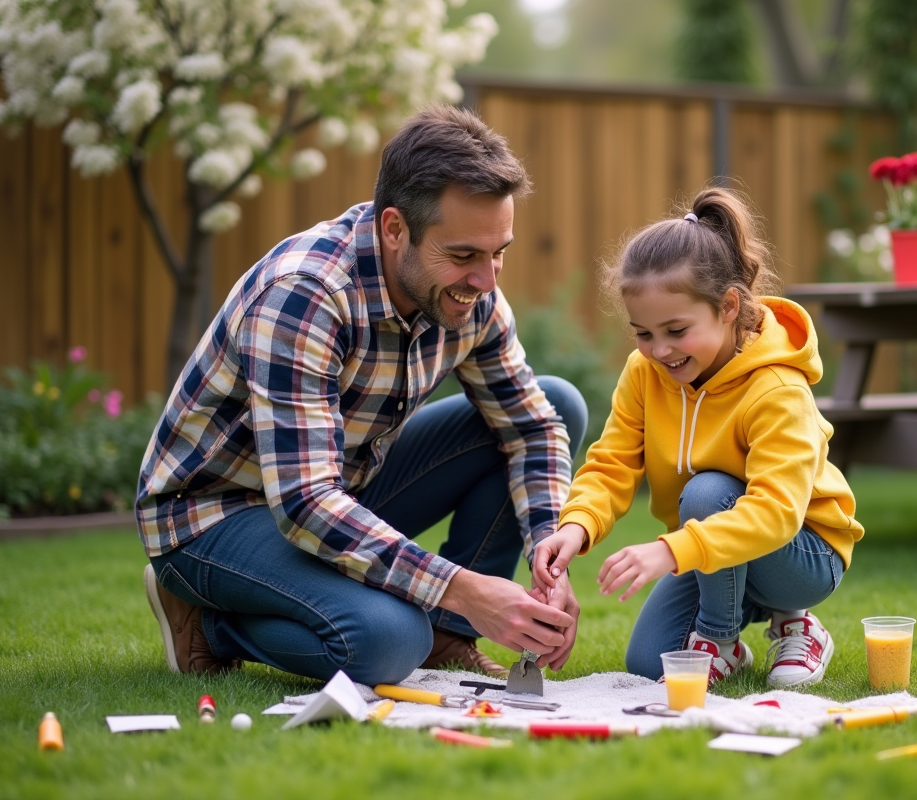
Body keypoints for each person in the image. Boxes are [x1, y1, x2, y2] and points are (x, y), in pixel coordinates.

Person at [136, 105, 586, 686]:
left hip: (343, 489)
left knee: (557, 403)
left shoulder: (470, 299)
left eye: (498, 251)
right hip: (211, 517)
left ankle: (450, 634)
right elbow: (303, 501)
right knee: (389, 640)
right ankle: (207, 622)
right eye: (464, 256)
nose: (487, 281)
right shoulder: (305, 294)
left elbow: (531, 429)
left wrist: (549, 554)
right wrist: (460, 587)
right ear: (395, 229)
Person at [531, 187, 863, 687]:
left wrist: (670, 550)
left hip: (803, 554)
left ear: (728, 307)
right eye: (643, 333)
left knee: (708, 491)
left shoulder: (776, 389)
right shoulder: (644, 374)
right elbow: (612, 463)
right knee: (649, 664)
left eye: (676, 330)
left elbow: (775, 513)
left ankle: (770, 627)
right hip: (710, 546)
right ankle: (730, 628)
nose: (659, 350)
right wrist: (575, 527)